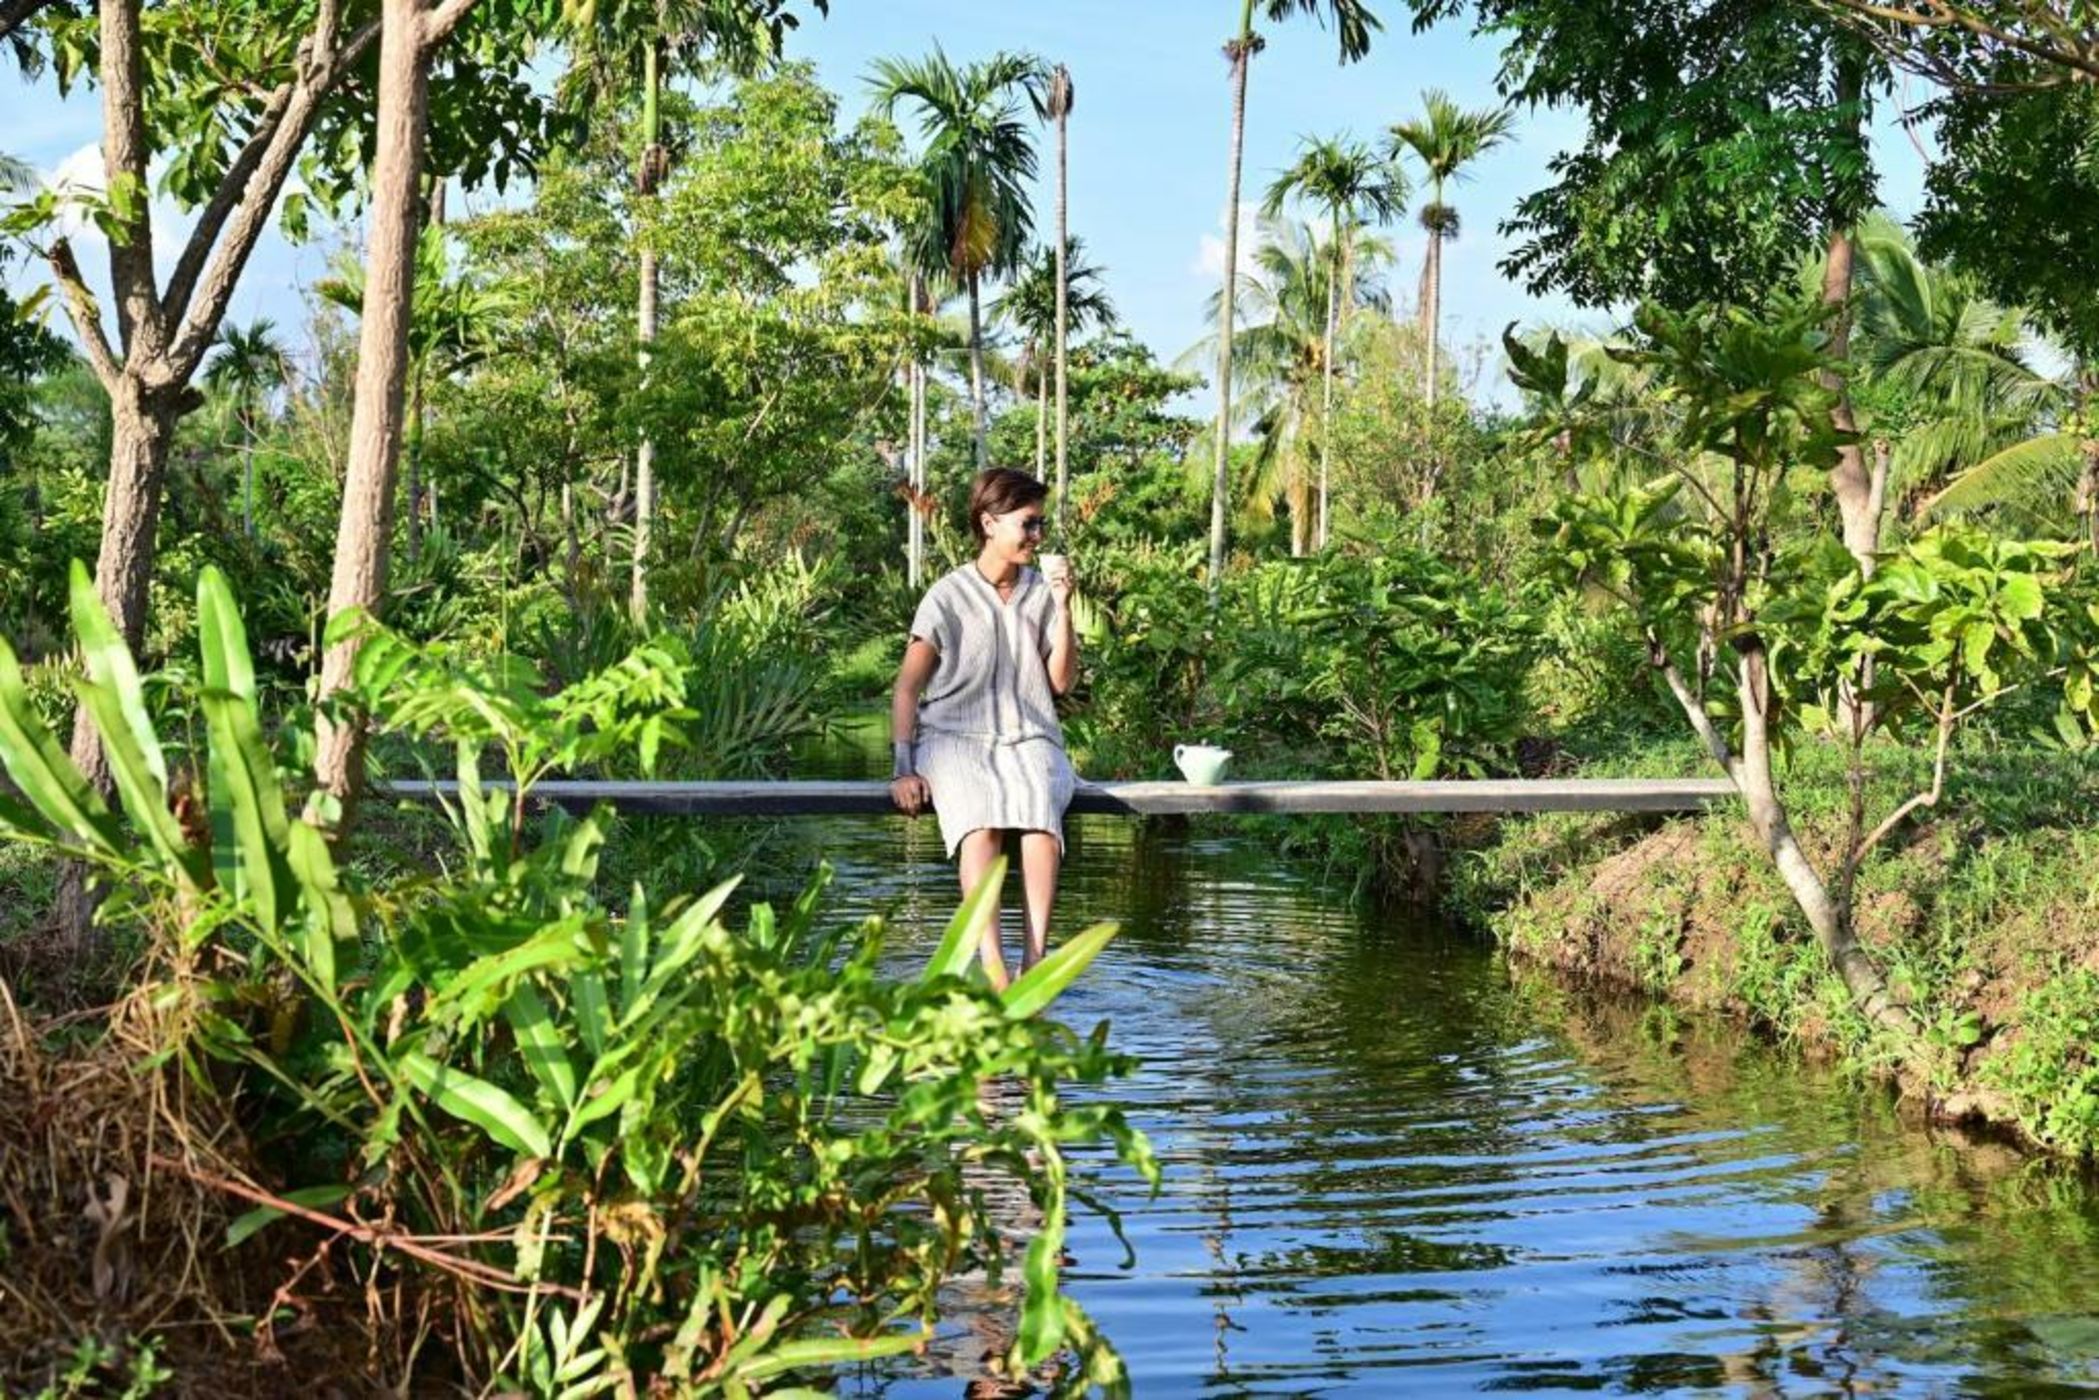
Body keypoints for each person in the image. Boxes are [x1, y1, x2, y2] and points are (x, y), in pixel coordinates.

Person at [889, 467, 1079, 990]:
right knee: (980, 817)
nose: (1038, 537)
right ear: (989, 523)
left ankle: (1035, 962)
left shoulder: (1042, 593)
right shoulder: (947, 597)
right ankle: (994, 969)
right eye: (1029, 524)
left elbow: (1060, 683)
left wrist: (1063, 610)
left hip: (1029, 735)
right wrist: (902, 768)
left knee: (1041, 808)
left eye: (1041, 525)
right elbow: (907, 688)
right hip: (953, 737)